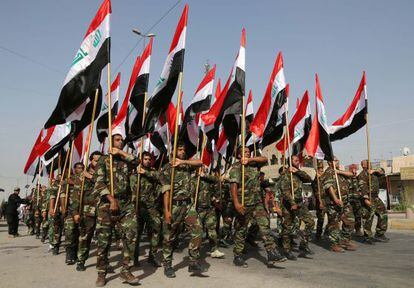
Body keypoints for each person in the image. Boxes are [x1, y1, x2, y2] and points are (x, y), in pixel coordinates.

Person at [94, 134, 140, 286]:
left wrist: (120, 153)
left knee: (131, 233)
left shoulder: (124, 159)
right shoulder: (103, 160)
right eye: (117, 140)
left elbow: (137, 161)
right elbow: (98, 183)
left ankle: (125, 271)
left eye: (122, 140)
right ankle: (101, 273)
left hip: (125, 204)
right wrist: (111, 199)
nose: (120, 142)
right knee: (104, 241)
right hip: (107, 204)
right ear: (111, 142)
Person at [229, 146, 286, 268]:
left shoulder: (254, 164)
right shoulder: (236, 167)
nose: (247, 153)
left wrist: (249, 160)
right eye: (244, 152)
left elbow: (265, 159)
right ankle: (237, 255)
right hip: (244, 203)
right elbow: (233, 186)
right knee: (241, 229)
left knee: (264, 225)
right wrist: (236, 203)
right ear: (239, 155)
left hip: (257, 202)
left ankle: (271, 252)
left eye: (249, 152)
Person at [160, 142, 203, 278]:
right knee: (169, 237)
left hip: (188, 205)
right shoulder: (167, 168)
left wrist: (182, 162)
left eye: (183, 149)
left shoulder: (186, 166)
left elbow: (200, 163)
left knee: (197, 230)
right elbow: (165, 191)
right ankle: (167, 264)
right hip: (174, 206)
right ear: (173, 151)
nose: (182, 151)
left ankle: (193, 261)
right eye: (179, 149)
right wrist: (167, 212)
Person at [130, 151, 162, 268]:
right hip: (138, 207)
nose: (147, 161)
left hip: (151, 207)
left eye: (149, 159)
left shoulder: (152, 173)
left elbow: (161, 178)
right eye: (145, 159)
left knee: (156, 230)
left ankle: (152, 257)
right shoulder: (134, 174)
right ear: (141, 160)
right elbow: (131, 191)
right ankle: (135, 257)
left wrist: (146, 173)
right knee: (136, 234)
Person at [280, 155, 315, 260]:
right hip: (288, 205)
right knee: (287, 228)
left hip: (300, 203)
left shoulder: (298, 173)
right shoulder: (285, 174)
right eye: (295, 160)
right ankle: (286, 250)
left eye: (297, 160)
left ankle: (303, 245)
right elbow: (285, 191)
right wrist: (292, 202)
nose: (297, 161)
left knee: (310, 222)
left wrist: (297, 172)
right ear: (290, 162)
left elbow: (308, 179)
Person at [321, 157, 357, 252]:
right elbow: (329, 187)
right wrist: (335, 198)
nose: (338, 161)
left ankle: (345, 240)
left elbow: (351, 174)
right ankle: (334, 244)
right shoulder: (328, 172)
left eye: (338, 160)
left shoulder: (338, 171)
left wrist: (339, 172)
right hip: (334, 203)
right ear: (329, 162)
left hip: (345, 202)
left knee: (350, 220)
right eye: (335, 160)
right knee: (334, 224)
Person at [76, 151, 102, 272]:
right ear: (91, 160)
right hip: (88, 210)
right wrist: (75, 212)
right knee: (85, 237)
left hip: (103, 209)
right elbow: (77, 195)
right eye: (95, 160)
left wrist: (91, 177)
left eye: (99, 160)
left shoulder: (105, 173)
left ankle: (103, 263)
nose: (97, 162)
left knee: (103, 238)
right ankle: (81, 260)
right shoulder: (83, 175)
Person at [196, 165, 225, 258]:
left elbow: (217, 180)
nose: (204, 168)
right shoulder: (194, 180)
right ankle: (195, 250)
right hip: (197, 209)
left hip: (209, 208)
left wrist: (204, 176)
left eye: (205, 167)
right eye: (202, 167)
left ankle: (214, 249)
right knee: (198, 231)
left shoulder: (209, 179)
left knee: (212, 229)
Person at [358, 160, 389, 243]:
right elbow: (362, 187)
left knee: (383, 214)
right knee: (368, 218)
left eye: (369, 162)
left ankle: (380, 234)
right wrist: (365, 199)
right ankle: (367, 237)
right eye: (367, 163)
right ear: (363, 165)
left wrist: (374, 171)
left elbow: (382, 172)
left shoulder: (374, 173)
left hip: (376, 197)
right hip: (369, 197)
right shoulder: (362, 175)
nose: (369, 164)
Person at [61, 162, 83, 265]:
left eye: (82, 168)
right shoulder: (68, 180)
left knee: (79, 233)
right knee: (70, 232)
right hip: (70, 210)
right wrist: (63, 208)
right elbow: (62, 195)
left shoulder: (85, 178)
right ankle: (69, 254)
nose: (80, 169)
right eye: (78, 168)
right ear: (74, 169)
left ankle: (78, 254)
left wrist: (75, 183)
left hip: (83, 210)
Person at [312, 160, 326, 241]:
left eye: (322, 170)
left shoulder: (323, 179)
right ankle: (318, 235)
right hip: (319, 201)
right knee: (321, 219)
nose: (322, 172)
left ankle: (327, 232)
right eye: (320, 170)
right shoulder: (315, 181)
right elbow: (317, 193)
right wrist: (320, 202)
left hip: (326, 201)